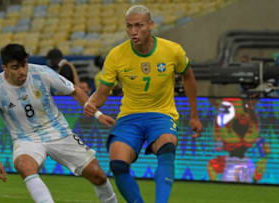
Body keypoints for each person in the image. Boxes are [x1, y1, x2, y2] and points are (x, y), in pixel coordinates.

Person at [84, 5, 202, 203]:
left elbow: (189, 77)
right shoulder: (116, 55)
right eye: (129, 26)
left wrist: (194, 115)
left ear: (150, 25)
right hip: (130, 116)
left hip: (161, 115)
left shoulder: (172, 50)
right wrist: (92, 102)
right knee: (118, 164)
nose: (133, 31)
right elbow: (103, 92)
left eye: (138, 26)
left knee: (167, 146)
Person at [0, 44, 117, 203]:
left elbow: (74, 90)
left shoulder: (41, 72)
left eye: (24, 65)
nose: (22, 71)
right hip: (26, 138)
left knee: (98, 175)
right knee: (25, 166)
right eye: (15, 67)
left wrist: (97, 114)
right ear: (4, 68)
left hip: (58, 131)